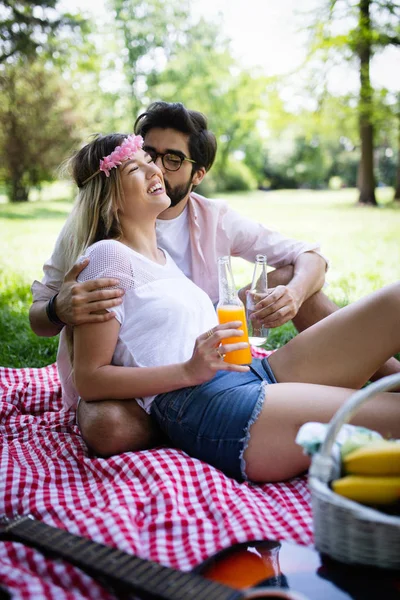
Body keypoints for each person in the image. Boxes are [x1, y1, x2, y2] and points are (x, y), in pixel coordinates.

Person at [29, 103, 400, 454]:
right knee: (104, 423)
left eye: (169, 159)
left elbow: (309, 255)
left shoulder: (184, 237)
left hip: (238, 374)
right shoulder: (100, 248)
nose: (157, 167)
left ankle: (391, 379)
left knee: (386, 299)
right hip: (184, 396)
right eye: (146, 158)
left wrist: (291, 293)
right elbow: (82, 366)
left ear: (198, 174)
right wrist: (58, 308)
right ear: (110, 197)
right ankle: (189, 428)